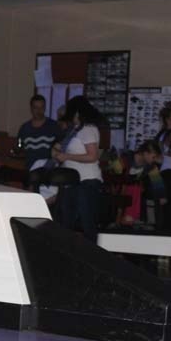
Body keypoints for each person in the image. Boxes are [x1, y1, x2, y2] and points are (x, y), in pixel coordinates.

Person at [51, 96, 102, 242]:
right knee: (67, 222)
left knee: (87, 224)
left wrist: (66, 156)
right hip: (73, 182)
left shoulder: (88, 129)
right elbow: (62, 147)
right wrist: (56, 151)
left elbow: (92, 156)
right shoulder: (75, 131)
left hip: (86, 181)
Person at [17, 94, 63, 171]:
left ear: (45, 108)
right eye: (36, 108)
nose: (39, 111)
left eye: (42, 107)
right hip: (30, 169)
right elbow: (19, 147)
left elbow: (62, 146)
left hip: (49, 169)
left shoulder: (54, 126)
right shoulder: (24, 128)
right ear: (31, 109)